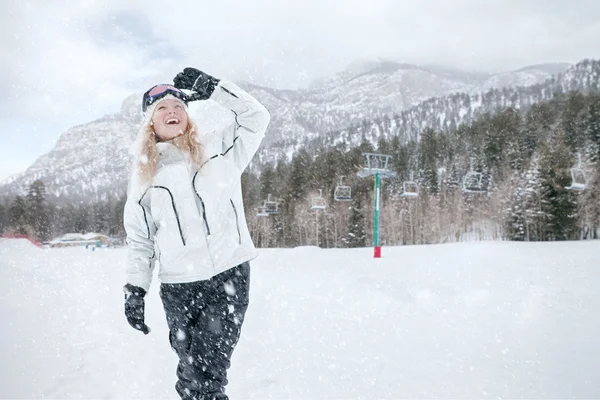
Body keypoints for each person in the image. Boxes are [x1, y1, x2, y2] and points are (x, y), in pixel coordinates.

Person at [122, 67, 270, 400]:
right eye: (161, 108)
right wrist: (135, 288)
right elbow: (141, 242)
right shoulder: (142, 178)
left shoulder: (219, 148)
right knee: (190, 372)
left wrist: (214, 89)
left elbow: (257, 117)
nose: (171, 111)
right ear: (150, 123)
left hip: (227, 276)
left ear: (187, 115)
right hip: (178, 287)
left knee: (208, 372)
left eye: (178, 106)